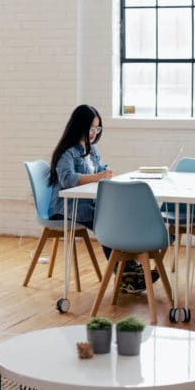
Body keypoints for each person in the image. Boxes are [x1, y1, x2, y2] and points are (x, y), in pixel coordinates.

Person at [48, 104, 155, 293]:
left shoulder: (92, 150)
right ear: (79, 126)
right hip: (67, 207)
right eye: (91, 128)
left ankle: (130, 271)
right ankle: (125, 275)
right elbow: (67, 180)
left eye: (97, 129)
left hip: (87, 203)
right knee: (108, 222)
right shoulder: (68, 152)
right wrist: (98, 177)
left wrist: (104, 173)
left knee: (117, 216)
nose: (94, 133)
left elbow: (97, 172)